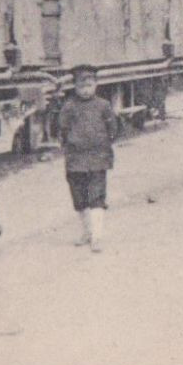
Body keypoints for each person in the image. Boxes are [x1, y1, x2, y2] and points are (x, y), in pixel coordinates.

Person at [56, 64, 120, 252]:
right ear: (74, 87)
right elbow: (62, 129)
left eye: (89, 85)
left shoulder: (103, 105)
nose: (85, 90)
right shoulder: (69, 106)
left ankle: (97, 237)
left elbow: (113, 129)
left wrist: (103, 144)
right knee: (79, 198)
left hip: (98, 158)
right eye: (81, 86)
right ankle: (86, 232)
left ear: (96, 85)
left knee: (97, 197)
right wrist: (69, 145)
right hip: (75, 160)